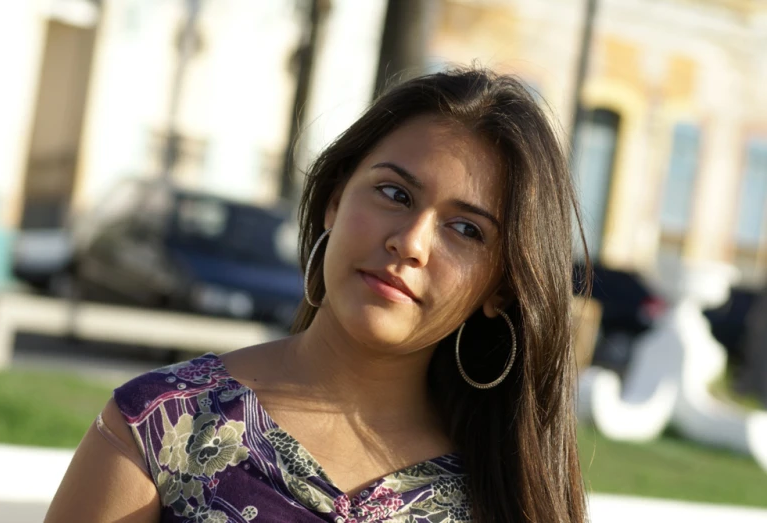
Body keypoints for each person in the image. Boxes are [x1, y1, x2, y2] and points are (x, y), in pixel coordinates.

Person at [46, 67, 589, 523]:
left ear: (501, 287)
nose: (411, 242)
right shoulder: (164, 428)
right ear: (334, 201)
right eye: (394, 193)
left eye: (467, 230)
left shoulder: (507, 497)